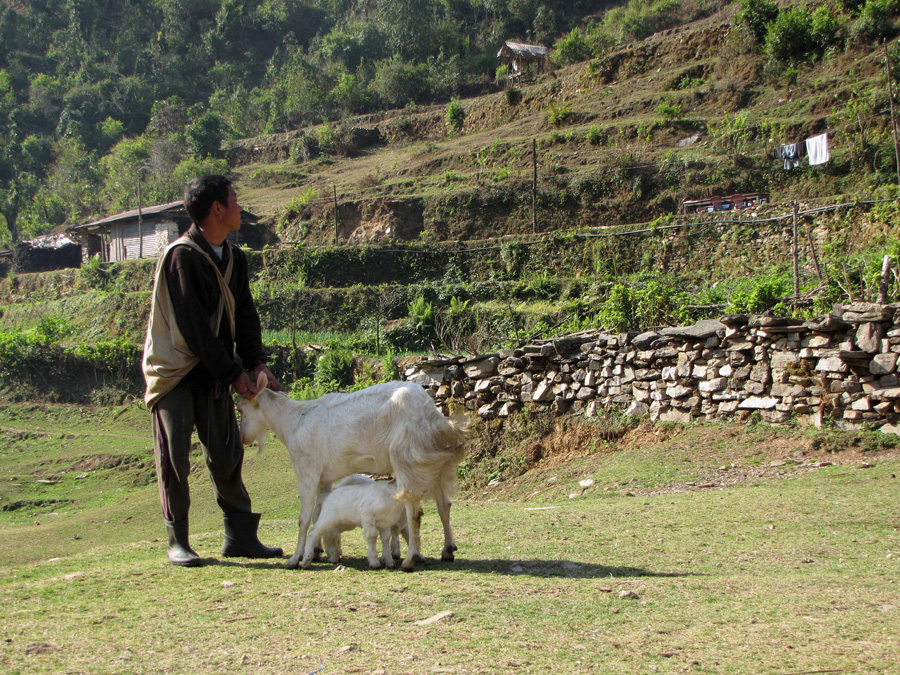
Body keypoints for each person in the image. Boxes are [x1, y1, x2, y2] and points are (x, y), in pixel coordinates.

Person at [142, 175, 283, 567]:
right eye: (235, 200)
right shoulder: (181, 257)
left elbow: (246, 315)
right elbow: (195, 329)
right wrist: (233, 372)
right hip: (176, 372)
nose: (240, 207)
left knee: (226, 451)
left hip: (215, 373)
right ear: (217, 209)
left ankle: (239, 537)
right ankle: (179, 541)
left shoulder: (235, 258)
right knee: (174, 457)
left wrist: (255, 362)